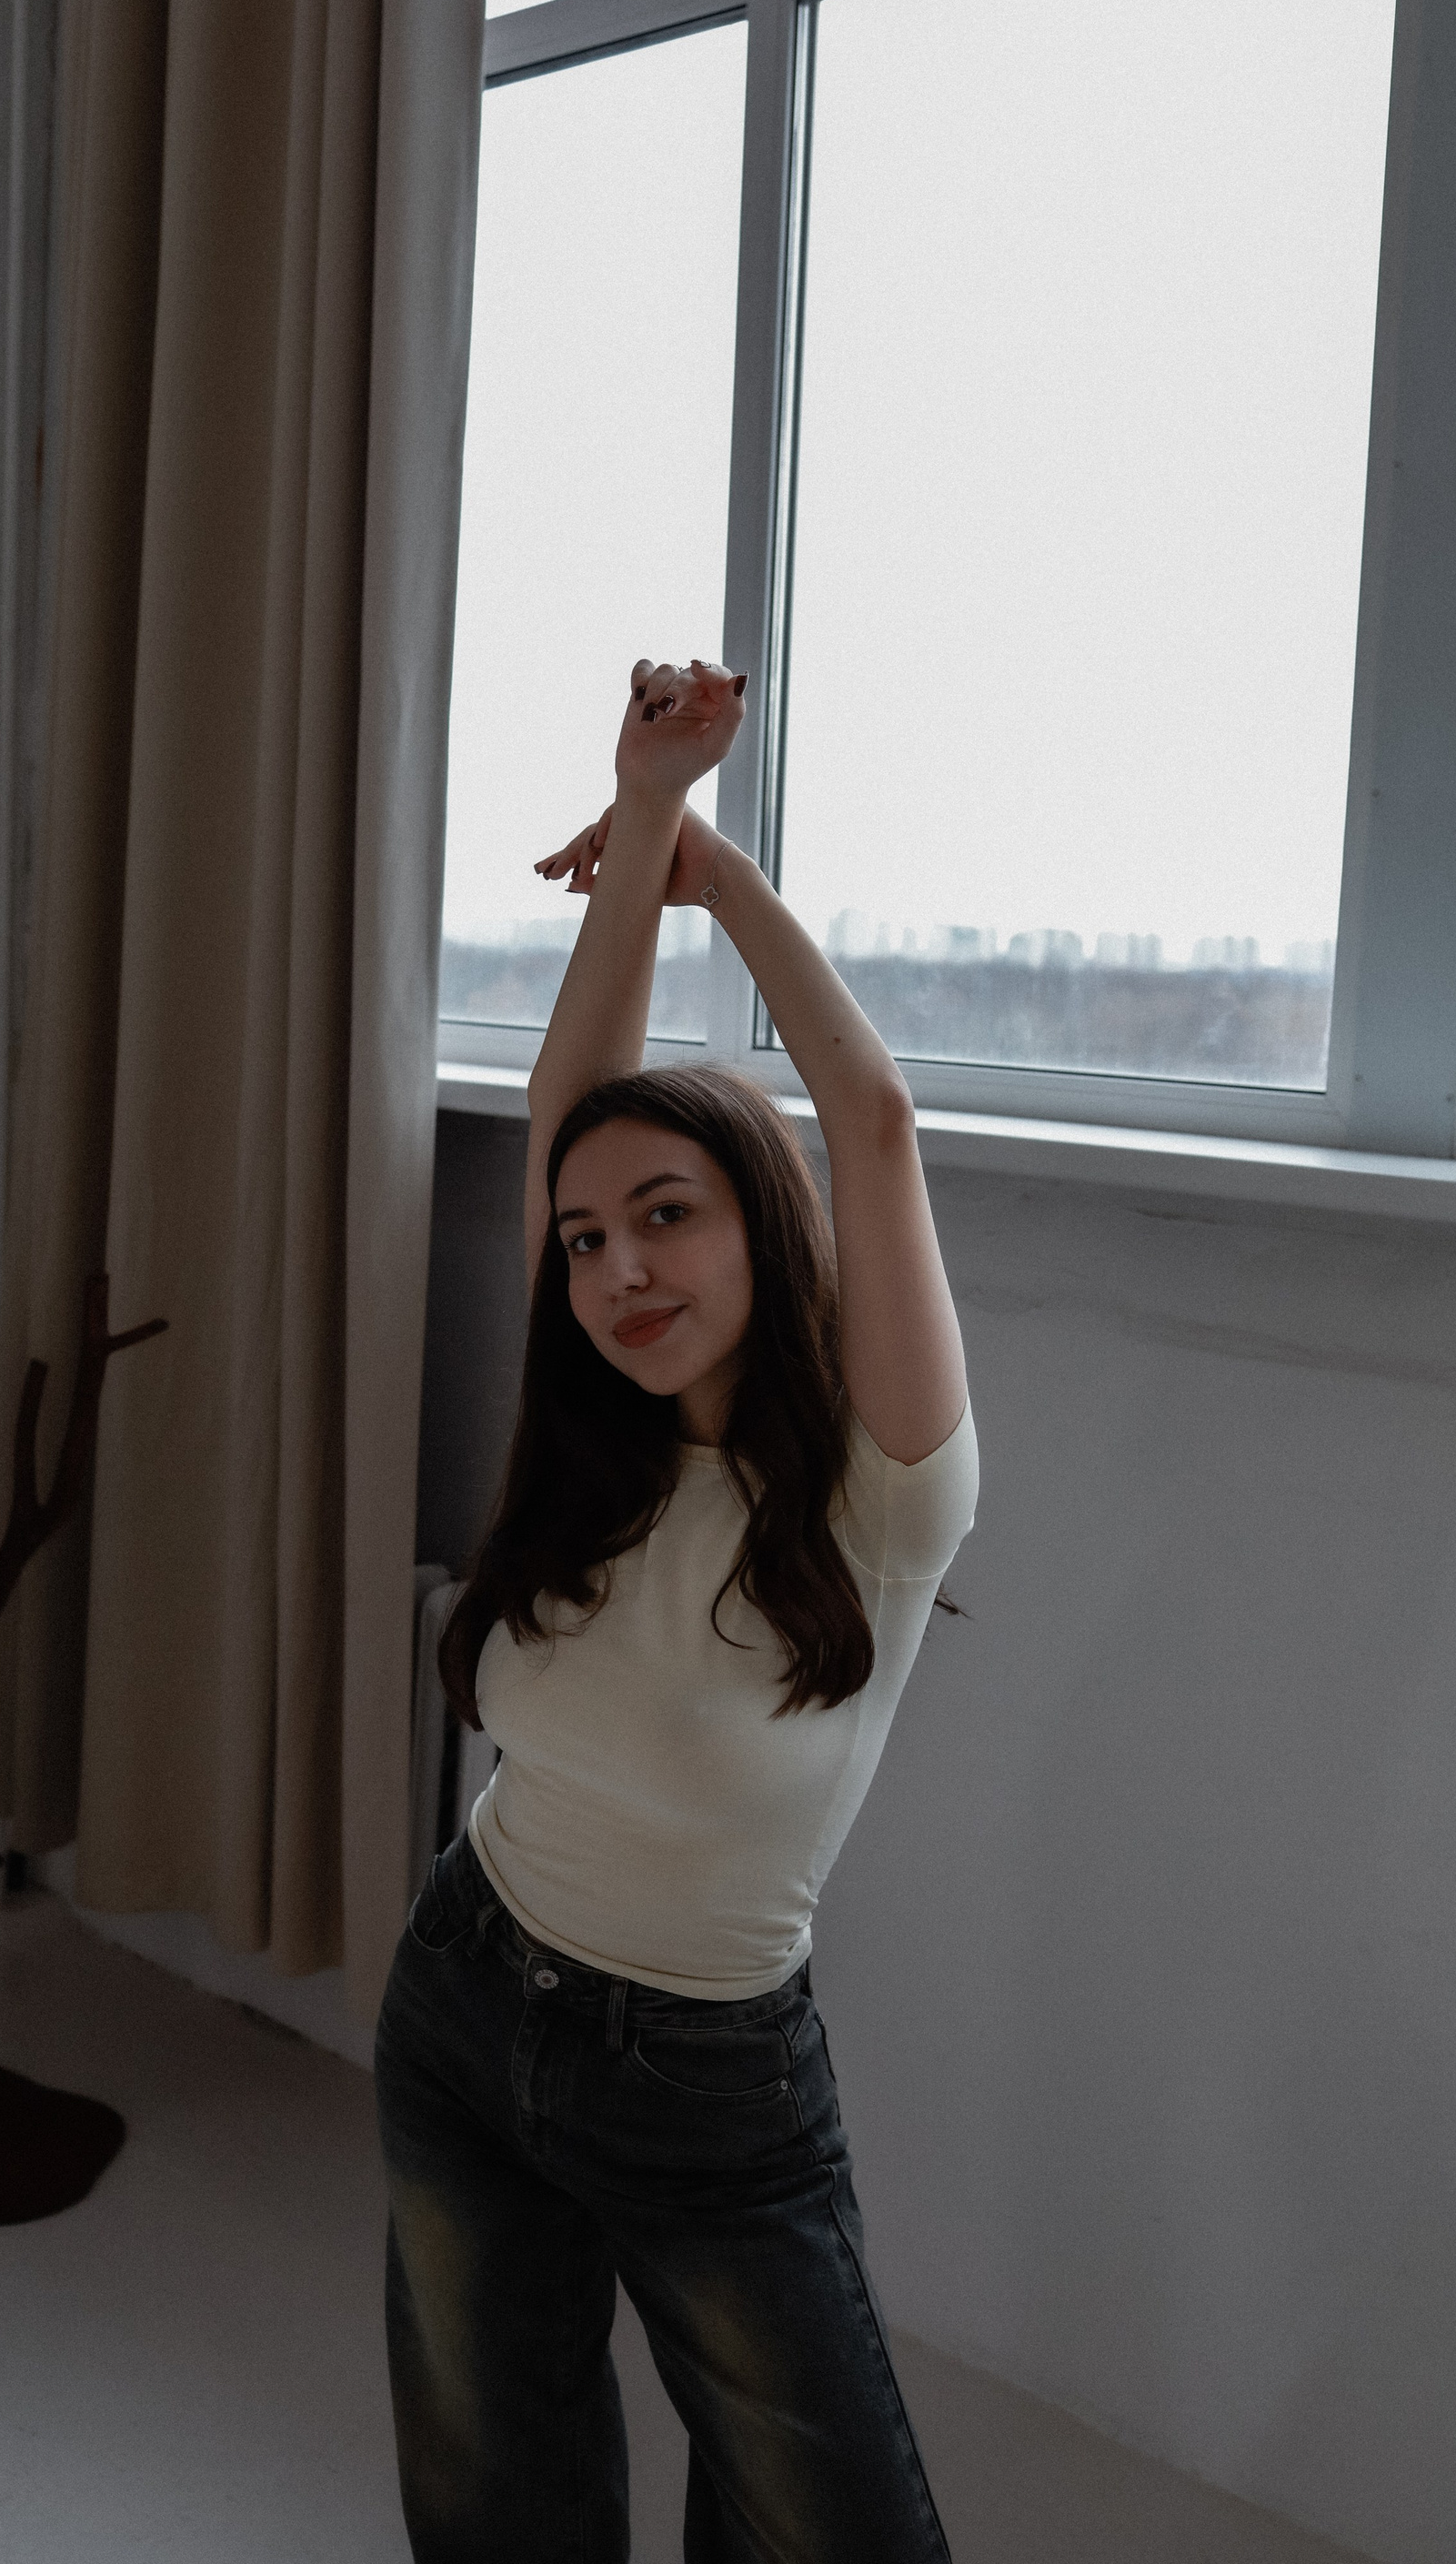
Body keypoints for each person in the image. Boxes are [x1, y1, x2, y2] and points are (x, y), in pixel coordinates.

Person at [374, 655, 978, 2562]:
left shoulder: (884, 1495)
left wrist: (723, 880)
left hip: (711, 2088)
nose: (619, 1269)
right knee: (501, 2512)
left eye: (670, 1216)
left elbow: (875, 1122)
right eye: (587, 1239)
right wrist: (642, 821)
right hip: (467, 1998)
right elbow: (572, 1104)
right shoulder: (597, 1451)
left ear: (761, 1223)